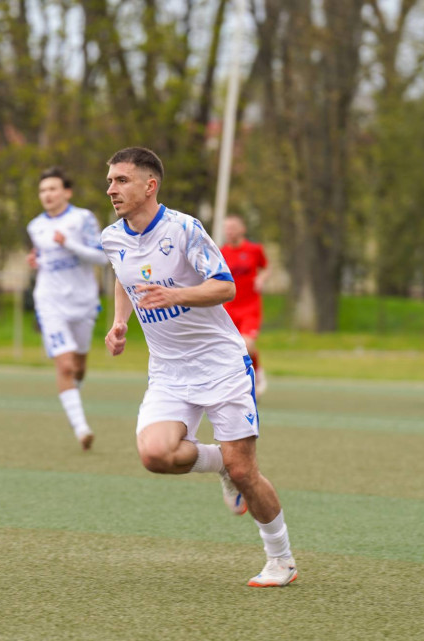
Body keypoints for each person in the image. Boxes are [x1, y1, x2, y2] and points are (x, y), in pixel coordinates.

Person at [101, 147, 297, 587]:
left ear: (150, 186)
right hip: (169, 372)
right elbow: (122, 275)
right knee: (155, 455)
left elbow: (225, 287)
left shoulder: (184, 229)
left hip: (221, 365)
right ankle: (220, 464)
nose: (111, 189)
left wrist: (175, 295)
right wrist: (119, 322)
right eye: (110, 181)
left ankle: (281, 560)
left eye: (121, 180)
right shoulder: (111, 237)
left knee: (246, 471)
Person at [26, 167, 107, 451]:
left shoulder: (83, 218)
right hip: (50, 302)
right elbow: (44, 257)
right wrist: (36, 262)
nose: (47, 194)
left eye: (52, 188)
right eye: (42, 190)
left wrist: (69, 244)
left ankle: (72, 392)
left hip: (83, 302)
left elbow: (102, 258)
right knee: (65, 365)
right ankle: (81, 428)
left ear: (67, 192)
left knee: (79, 367)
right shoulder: (35, 226)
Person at [220, 215, 269, 395]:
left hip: (250, 308)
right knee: (230, 349)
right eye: (227, 228)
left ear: (242, 229)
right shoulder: (221, 252)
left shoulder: (255, 250)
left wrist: (261, 279)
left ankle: (258, 373)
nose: (229, 231)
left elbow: (266, 268)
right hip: (229, 309)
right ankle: (237, 383)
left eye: (233, 227)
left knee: (247, 345)